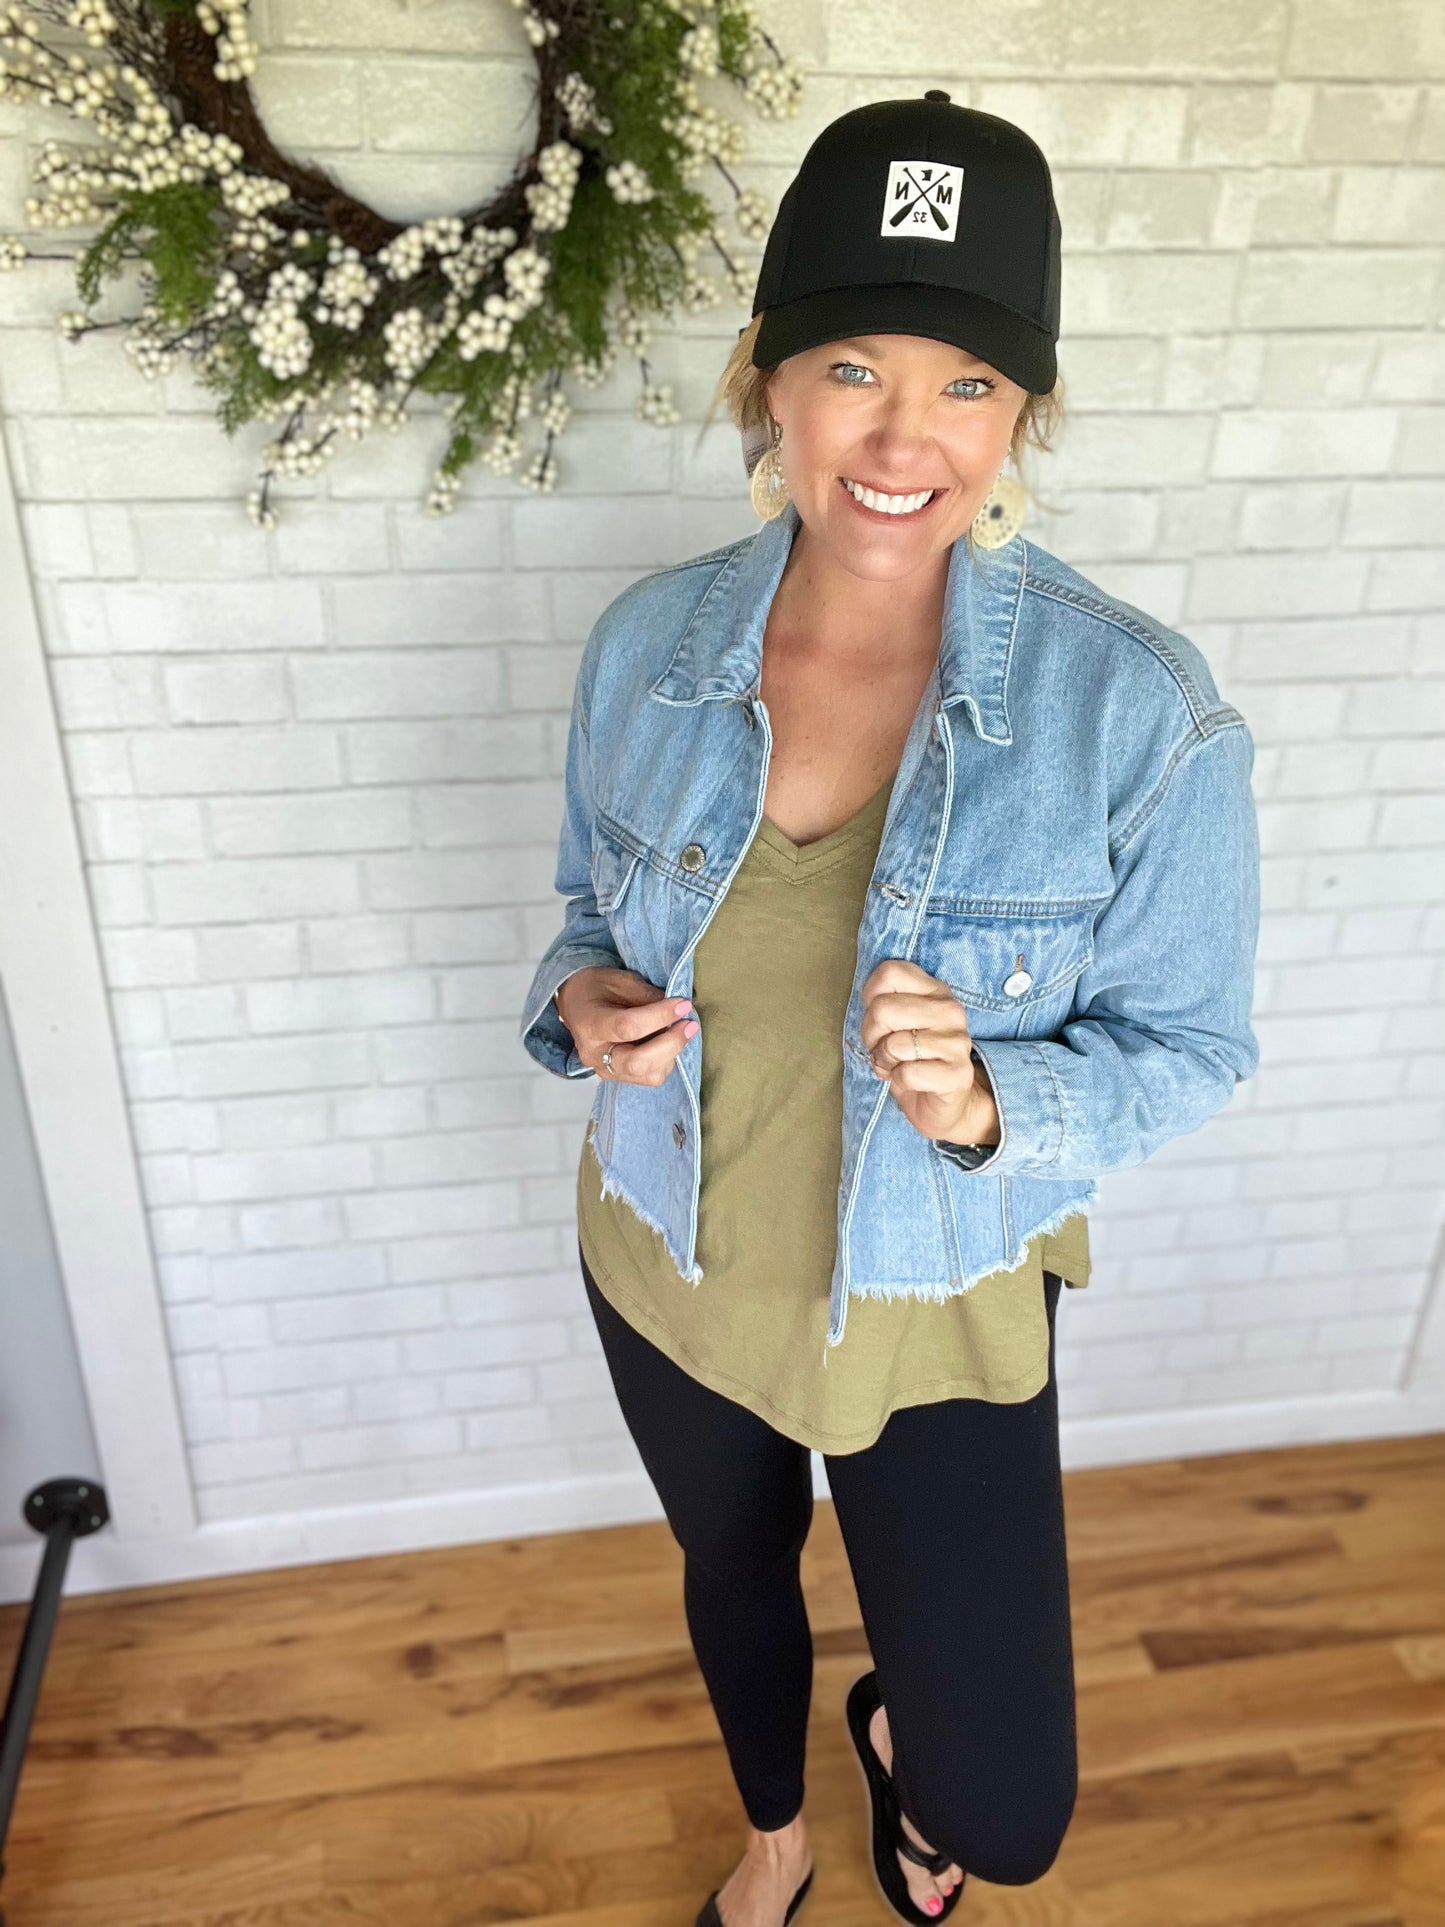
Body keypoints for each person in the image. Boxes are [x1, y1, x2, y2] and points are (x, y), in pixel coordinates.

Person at [519, 92, 1261, 1927]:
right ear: (765, 380)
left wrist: (996, 1107)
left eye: (966, 385)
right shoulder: (645, 649)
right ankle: (773, 1835)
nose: (901, 438)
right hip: (670, 1249)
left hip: (934, 1295)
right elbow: (584, 919)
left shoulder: (1138, 713)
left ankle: (901, 1752)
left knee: (1004, 1812)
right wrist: (583, 1003)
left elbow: (1191, 1047)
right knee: (733, 1571)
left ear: (1019, 420)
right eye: (851, 368)